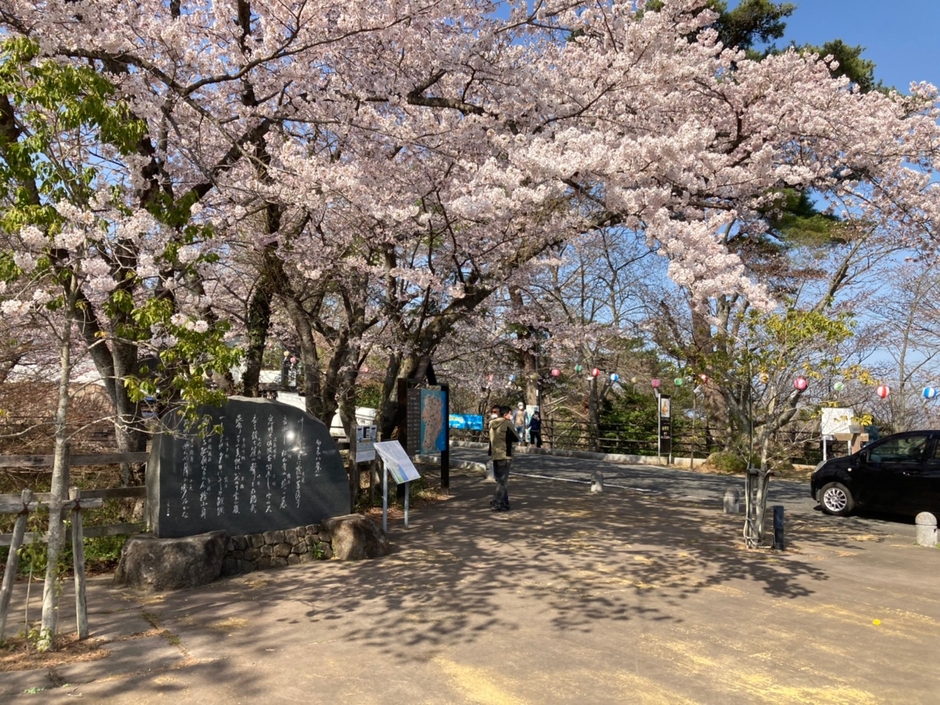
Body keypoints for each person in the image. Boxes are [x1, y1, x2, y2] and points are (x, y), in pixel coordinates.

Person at [488, 405, 518, 511]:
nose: (511, 416)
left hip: (495, 455)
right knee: (502, 482)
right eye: (510, 414)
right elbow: (516, 437)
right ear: (505, 415)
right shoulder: (507, 423)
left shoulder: (491, 424)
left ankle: (505, 503)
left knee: (501, 481)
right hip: (505, 454)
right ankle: (497, 503)